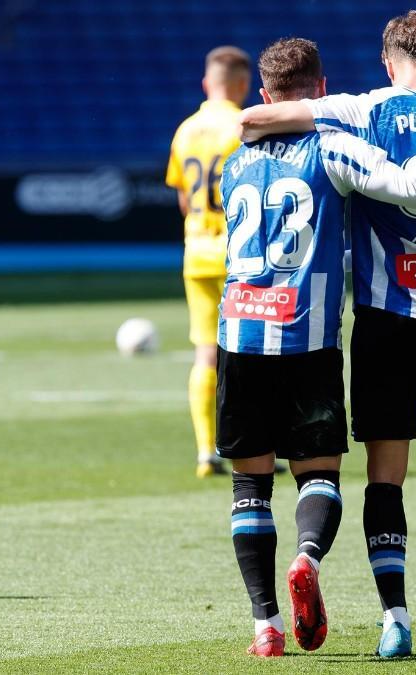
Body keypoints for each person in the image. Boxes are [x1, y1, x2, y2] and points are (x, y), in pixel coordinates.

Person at [237, 9, 416, 658]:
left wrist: (247, 116)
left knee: (385, 477)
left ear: (387, 61)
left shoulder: (357, 109)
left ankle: (395, 615)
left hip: (382, 319)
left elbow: (261, 120)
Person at [164, 46, 252, 478]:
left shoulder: (185, 131)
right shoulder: (245, 125)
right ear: (243, 83)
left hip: (197, 253)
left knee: (206, 355)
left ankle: (205, 453)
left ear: (206, 83)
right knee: (252, 354)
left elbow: (184, 199)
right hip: (240, 256)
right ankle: (254, 447)